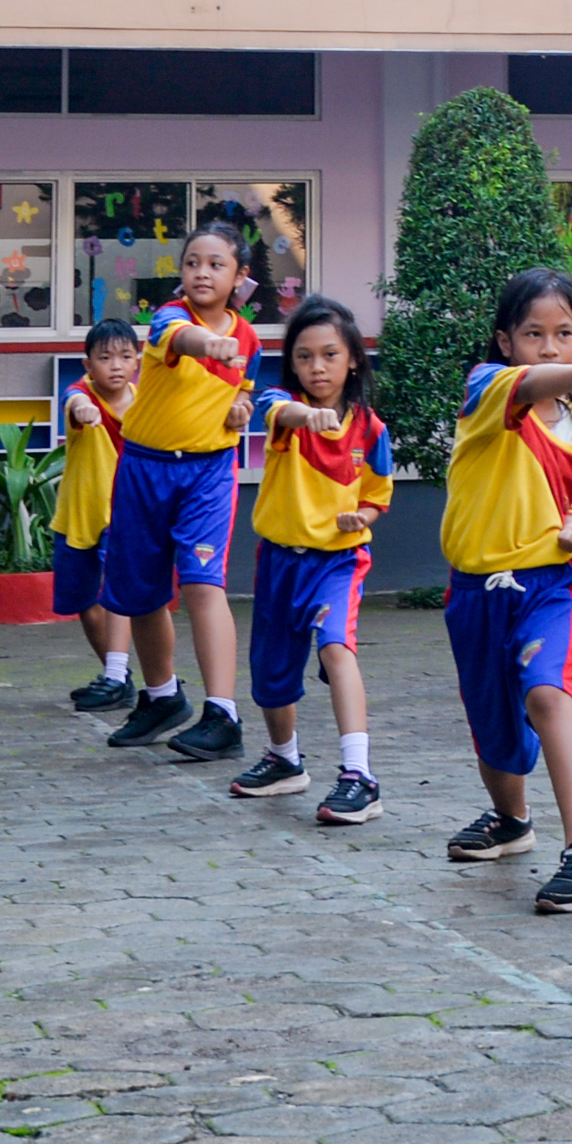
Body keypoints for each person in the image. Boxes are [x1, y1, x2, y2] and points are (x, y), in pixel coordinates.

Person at [441, 270, 572, 910]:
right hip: (475, 590)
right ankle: (512, 821)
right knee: (492, 727)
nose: (550, 347)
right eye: (533, 334)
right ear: (505, 341)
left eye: (565, 335)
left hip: (551, 587)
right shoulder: (488, 388)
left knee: (548, 695)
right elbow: (536, 382)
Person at [228, 296, 392, 824]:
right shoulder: (282, 407)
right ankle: (285, 759)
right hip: (279, 562)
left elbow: (376, 497)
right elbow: (279, 410)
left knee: (336, 648)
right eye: (304, 356)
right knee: (270, 677)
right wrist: (309, 416)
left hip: (338, 564)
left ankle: (358, 775)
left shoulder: (372, 430)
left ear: (353, 361)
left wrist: (361, 519)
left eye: (328, 355)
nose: (317, 367)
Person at [101, 220, 258, 760]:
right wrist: (211, 343)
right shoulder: (171, 318)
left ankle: (224, 715)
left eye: (216, 264)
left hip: (208, 472)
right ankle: (162, 697)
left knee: (201, 583)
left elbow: (243, 395)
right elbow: (182, 341)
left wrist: (240, 409)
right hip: (143, 467)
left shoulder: (251, 338)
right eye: (193, 262)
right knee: (140, 590)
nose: (201, 272)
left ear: (240, 276)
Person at [55, 322, 138, 715]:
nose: (115, 366)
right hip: (79, 514)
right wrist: (83, 409)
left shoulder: (145, 403)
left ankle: (117, 675)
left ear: (138, 361)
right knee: (86, 601)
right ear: (89, 364)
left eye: (124, 357)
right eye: (105, 358)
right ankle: (115, 675)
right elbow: (73, 404)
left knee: (116, 593)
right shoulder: (80, 395)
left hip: (125, 516)